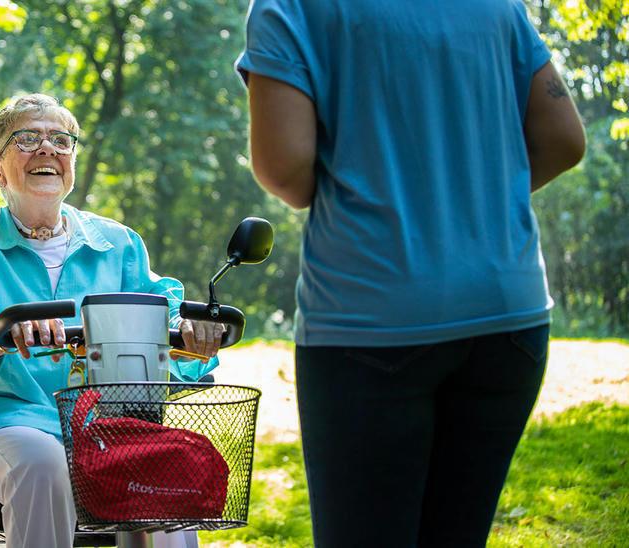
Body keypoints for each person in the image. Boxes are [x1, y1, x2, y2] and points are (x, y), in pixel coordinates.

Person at [236, 2, 585, 547]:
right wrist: (479, 200)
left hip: (370, 316)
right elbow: (565, 140)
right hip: (507, 314)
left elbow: (286, 169)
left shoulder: (291, 6)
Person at [0, 93, 222, 548]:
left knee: (167, 469)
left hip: (109, 423)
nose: (47, 148)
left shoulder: (118, 243)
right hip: (9, 418)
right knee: (43, 461)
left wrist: (192, 335)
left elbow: (165, 312)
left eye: (61, 140)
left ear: (72, 164)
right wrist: (3, 333)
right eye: (27, 139)